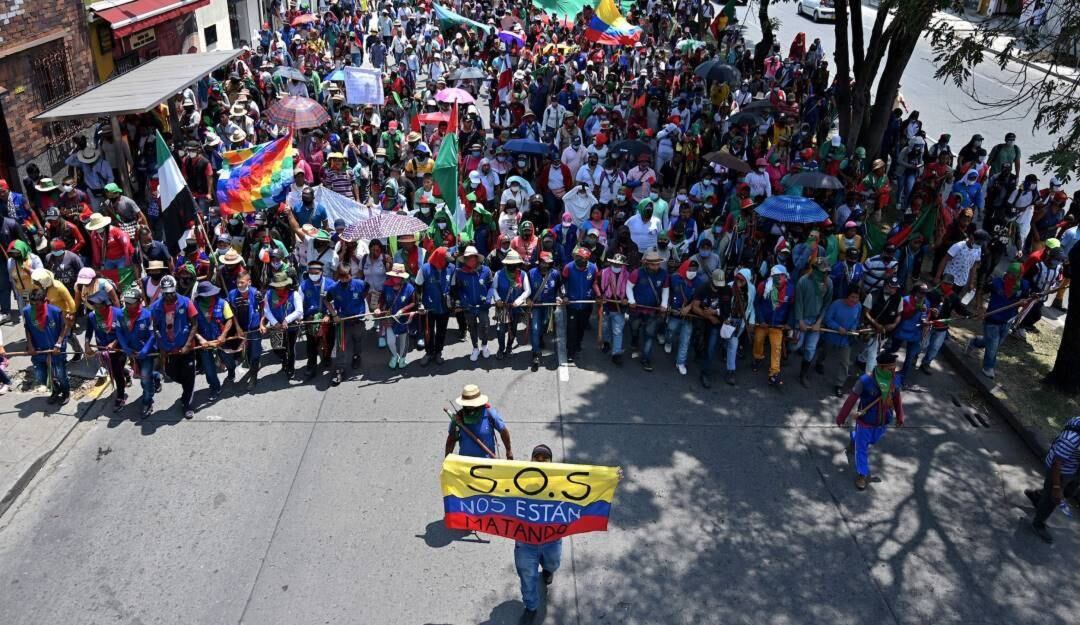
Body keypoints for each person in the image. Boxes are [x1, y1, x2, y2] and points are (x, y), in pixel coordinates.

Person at [836, 352, 905, 490]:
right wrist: (841, 417)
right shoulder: (865, 381)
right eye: (890, 368)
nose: (893, 371)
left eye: (894, 368)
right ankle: (862, 474)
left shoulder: (895, 380)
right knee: (862, 449)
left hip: (883, 421)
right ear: (881, 367)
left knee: (871, 441)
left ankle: (853, 437)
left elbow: (897, 398)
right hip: (865, 422)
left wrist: (900, 415)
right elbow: (851, 400)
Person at [514, 443, 561, 625]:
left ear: (551, 462)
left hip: (551, 539)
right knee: (527, 575)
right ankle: (531, 607)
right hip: (525, 541)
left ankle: (548, 569)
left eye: (545, 458)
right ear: (531, 460)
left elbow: (588, 491)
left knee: (553, 563)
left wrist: (609, 479)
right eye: (537, 457)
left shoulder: (562, 483)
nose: (540, 461)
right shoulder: (518, 481)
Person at [966, 262, 1030, 379]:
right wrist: (979, 307)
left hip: (1008, 321)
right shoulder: (996, 283)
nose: (1012, 277)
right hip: (992, 320)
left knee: (992, 344)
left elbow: (1026, 298)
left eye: (1016, 275)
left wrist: (1025, 301)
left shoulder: (1024, 286)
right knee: (993, 346)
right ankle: (988, 367)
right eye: (1011, 274)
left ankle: (974, 342)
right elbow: (980, 292)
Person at [149, 275, 199, 419]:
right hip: (169, 350)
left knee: (189, 376)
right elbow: (155, 328)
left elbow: (194, 324)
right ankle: (187, 387)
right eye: (166, 293)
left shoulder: (186, 302)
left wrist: (188, 344)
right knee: (171, 373)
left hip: (185, 348)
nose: (169, 296)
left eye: (171, 292)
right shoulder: (156, 307)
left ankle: (187, 404)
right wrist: (161, 347)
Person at [1025, 416, 1080, 544]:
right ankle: (1038, 524)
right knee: (1053, 499)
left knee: (1068, 492)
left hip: (1075, 467)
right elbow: (1057, 463)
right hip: (1060, 470)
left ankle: (1038, 496)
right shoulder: (1071, 439)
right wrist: (1056, 487)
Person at [22, 288, 70, 404]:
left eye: (37, 304)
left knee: (60, 373)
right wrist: (30, 345)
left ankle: (65, 392)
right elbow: (27, 329)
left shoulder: (55, 311)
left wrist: (58, 344)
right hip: (38, 350)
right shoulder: (27, 312)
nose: (34, 307)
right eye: (32, 304)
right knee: (40, 375)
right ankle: (55, 389)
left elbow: (64, 328)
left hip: (55, 349)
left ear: (45, 300)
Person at [84, 289, 129, 410]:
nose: (97, 308)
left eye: (99, 305)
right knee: (112, 369)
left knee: (116, 374)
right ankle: (128, 373)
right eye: (94, 305)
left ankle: (120, 395)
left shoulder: (119, 314)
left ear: (106, 304)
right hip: (103, 350)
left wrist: (115, 343)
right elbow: (88, 333)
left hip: (118, 349)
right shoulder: (92, 316)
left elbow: (125, 332)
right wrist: (87, 344)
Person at [626, 250, 670, 372]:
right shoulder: (637, 273)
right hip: (637, 309)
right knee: (634, 327)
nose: (656, 266)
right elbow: (629, 287)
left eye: (657, 264)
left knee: (649, 335)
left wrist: (664, 304)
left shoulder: (664, 274)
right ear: (646, 263)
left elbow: (665, 290)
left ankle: (646, 359)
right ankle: (634, 338)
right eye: (653, 264)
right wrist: (631, 300)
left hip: (652, 311)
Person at [444, 383, 514, 459]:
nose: (469, 407)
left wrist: (508, 451)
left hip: (488, 463)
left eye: (472, 405)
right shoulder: (458, 418)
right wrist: (447, 459)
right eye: (467, 405)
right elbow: (451, 439)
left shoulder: (490, 414)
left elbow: (503, 431)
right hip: (465, 464)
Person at [794, 258, 834, 387]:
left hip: (816, 320)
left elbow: (826, 304)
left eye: (827, 272)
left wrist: (819, 322)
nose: (825, 275)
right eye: (823, 272)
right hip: (803, 318)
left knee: (811, 349)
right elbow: (798, 302)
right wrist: (800, 321)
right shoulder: (802, 282)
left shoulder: (829, 283)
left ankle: (803, 375)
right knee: (795, 345)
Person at [193, 281, 235, 401]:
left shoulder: (222, 303)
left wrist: (223, 335)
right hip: (204, 343)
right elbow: (192, 325)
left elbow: (229, 320)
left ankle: (231, 370)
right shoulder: (194, 306)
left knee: (228, 360)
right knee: (209, 368)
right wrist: (200, 338)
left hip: (221, 340)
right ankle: (214, 387)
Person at [327, 264, 368, 385]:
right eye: (341, 276)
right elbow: (326, 300)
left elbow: (368, 290)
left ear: (351, 274)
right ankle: (340, 369)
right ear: (338, 276)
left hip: (358, 320)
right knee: (341, 345)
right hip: (343, 321)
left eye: (346, 276)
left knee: (358, 340)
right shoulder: (334, 288)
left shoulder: (360, 284)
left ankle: (356, 356)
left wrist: (363, 304)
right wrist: (334, 314)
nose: (344, 278)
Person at [452, 246, 494, 362]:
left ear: (477, 258)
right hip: (469, 307)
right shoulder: (460, 273)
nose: (471, 260)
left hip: (483, 306)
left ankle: (484, 346)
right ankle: (475, 348)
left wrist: (489, 299)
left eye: (473, 257)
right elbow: (459, 289)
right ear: (464, 260)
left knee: (485, 326)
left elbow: (491, 286)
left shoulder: (486, 270)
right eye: (468, 258)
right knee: (472, 327)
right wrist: (463, 299)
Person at [753, 264, 794, 386]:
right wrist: (761, 320)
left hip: (778, 326)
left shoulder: (791, 289)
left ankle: (774, 373)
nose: (777, 278)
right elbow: (756, 303)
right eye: (775, 276)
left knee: (777, 348)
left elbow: (792, 308)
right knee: (758, 340)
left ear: (784, 276)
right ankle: (758, 357)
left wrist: (789, 323)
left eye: (780, 276)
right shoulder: (763, 286)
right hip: (763, 323)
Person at [822, 288, 863, 397]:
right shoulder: (836, 304)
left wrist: (853, 328)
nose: (854, 300)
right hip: (832, 335)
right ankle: (819, 363)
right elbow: (828, 318)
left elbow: (857, 320)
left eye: (857, 298)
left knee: (845, 362)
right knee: (824, 352)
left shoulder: (858, 306)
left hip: (846, 338)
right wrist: (837, 327)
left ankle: (839, 384)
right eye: (852, 297)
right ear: (847, 297)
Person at [416, 246, 454, 366]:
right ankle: (429, 353)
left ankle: (438, 352)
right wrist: (420, 303)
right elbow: (418, 287)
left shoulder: (451, 268)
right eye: (445, 259)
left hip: (444, 307)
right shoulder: (425, 269)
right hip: (428, 307)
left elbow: (453, 288)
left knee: (442, 331)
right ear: (439, 258)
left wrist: (453, 302)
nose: (448, 262)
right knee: (428, 331)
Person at [228, 271, 264, 391]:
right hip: (241, 329)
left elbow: (264, 308)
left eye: (242, 282)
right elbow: (231, 313)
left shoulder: (256, 293)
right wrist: (237, 328)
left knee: (255, 352)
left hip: (254, 328)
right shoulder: (232, 294)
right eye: (238, 283)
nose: (239, 285)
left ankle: (253, 377)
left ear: (249, 282)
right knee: (247, 353)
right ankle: (254, 365)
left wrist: (262, 323)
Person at [562, 246, 598, 362]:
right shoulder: (568, 267)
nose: (579, 260)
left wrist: (598, 295)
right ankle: (570, 351)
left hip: (586, 304)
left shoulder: (593, 268)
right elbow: (563, 283)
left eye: (582, 258)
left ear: (587, 259)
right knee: (571, 328)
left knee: (581, 327)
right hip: (572, 304)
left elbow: (595, 283)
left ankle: (578, 344)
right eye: (577, 257)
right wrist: (565, 296)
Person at [493, 250, 530, 359]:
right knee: (500, 330)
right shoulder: (498, 274)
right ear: (506, 264)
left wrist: (518, 301)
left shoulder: (523, 274)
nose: (513, 266)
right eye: (510, 264)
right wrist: (497, 299)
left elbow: (527, 290)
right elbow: (494, 288)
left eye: (515, 264)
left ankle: (509, 347)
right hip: (502, 307)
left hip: (515, 308)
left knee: (513, 329)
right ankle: (501, 348)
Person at [377, 263, 416, 369]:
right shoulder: (386, 286)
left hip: (403, 319)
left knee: (403, 340)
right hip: (390, 318)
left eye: (399, 276)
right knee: (390, 340)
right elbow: (381, 300)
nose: (396, 278)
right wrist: (378, 308)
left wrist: (403, 310)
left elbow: (413, 303)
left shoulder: (409, 287)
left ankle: (402, 358)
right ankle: (394, 356)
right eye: (394, 276)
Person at [528, 251, 561, 372]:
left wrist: (560, 296)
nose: (545, 265)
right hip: (536, 305)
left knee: (545, 325)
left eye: (548, 263)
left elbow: (560, 288)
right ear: (539, 262)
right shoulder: (531, 273)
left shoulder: (556, 274)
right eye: (543, 262)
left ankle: (540, 338)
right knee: (535, 328)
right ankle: (536, 353)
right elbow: (526, 289)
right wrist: (527, 299)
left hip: (549, 306)